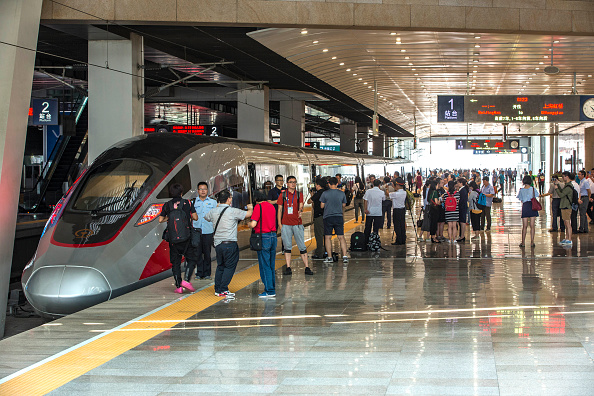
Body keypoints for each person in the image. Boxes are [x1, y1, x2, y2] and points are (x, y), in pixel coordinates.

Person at [204, 190, 253, 298]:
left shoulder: (213, 211)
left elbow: (206, 217)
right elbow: (249, 214)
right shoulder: (233, 211)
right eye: (230, 197)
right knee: (229, 267)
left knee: (220, 266)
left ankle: (218, 289)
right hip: (230, 244)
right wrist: (250, 207)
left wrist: (217, 206)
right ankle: (223, 289)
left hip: (218, 244)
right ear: (228, 199)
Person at [158, 183, 199, 294]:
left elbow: (160, 220)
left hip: (173, 239)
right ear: (181, 192)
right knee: (191, 259)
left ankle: (178, 286)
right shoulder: (187, 203)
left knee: (175, 263)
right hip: (187, 237)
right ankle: (186, 280)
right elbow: (195, 217)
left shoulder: (167, 205)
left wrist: (169, 217)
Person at [277, 176, 313, 275]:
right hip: (286, 224)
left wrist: (300, 211)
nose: (293, 184)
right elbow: (279, 209)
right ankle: (288, 267)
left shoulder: (299, 194)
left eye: (294, 182)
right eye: (291, 182)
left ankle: (307, 267)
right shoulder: (283, 195)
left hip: (297, 224)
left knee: (302, 246)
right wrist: (280, 224)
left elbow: (301, 205)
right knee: (287, 247)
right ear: (287, 184)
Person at [249, 191, 277, 298]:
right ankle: (272, 287)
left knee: (264, 265)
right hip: (273, 236)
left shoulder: (258, 207)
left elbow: (253, 223)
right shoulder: (271, 206)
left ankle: (269, 290)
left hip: (263, 238)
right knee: (271, 264)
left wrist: (249, 223)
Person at [320, 177, 348, 264]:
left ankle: (329, 257)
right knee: (341, 237)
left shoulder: (325, 193)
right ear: (337, 183)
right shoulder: (341, 193)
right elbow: (344, 205)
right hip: (339, 216)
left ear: (328, 184)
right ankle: (345, 256)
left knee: (328, 237)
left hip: (328, 217)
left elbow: (322, 206)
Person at [193, 182, 217, 279]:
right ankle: (199, 273)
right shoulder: (193, 202)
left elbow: (216, 216)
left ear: (208, 190)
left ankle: (207, 273)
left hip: (208, 231)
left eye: (205, 189)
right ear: (197, 191)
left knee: (207, 253)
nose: (203, 191)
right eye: (201, 189)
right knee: (197, 253)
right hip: (196, 231)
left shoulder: (213, 202)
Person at [517, 175, 539, 247]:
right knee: (532, 225)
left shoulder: (521, 190)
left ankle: (523, 242)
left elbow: (520, 199)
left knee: (525, 226)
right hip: (532, 206)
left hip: (525, 206)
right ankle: (532, 242)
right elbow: (536, 195)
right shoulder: (533, 189)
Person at [308, 178, 327, 260]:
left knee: (319, 235)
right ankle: (327, 251)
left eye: (315, 185)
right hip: (326, 216)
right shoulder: (327, 192)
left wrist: (311, 194)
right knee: (326, 235)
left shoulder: (318, 193)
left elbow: (309, 201)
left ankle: (319, 253)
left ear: (318, 185)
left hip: (319, 216)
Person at [555, 172, 574, 246]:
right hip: (564, 206)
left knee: (568, 223)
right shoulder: (567, 186)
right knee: (566, 222)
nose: (562, 178)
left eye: (563, 177)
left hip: (566, 206)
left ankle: (569, 239)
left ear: (567, 177)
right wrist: (558, 185)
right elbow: (562, 192)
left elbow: (561, 194)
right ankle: (567, 238)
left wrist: (556, 189)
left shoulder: (569, 187)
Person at [388, 177, 407, 245]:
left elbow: (387, 194)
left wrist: (387, 187)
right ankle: (403, 239)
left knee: (397, 226)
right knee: (402, 225)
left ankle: (398, 240)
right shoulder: (404, 192)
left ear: (398, 185)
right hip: (402, 210)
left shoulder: (396, 194)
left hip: (396, 210)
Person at [457, 178, 468, 243]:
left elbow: (462, 201)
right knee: (461, 222)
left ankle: (462, 236)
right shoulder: (463, 190)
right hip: (463, 207)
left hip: (462, 208)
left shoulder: (462, 190)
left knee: (462, 222)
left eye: (458, 183)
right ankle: (461, 235)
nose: (457, 184)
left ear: (461, 183)